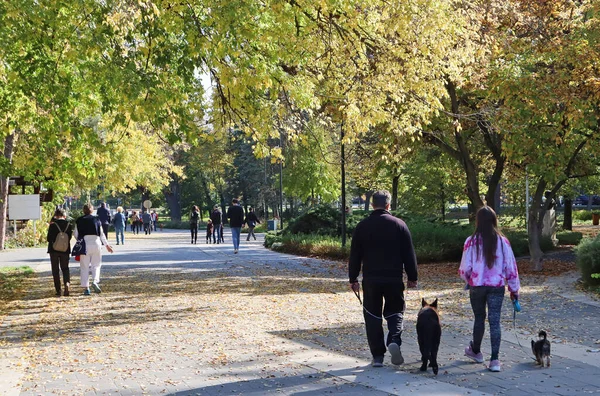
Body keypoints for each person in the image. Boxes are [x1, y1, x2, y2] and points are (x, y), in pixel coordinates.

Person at [348, 190, 418, 368]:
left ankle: (377, 355)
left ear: (372, 205)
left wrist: (353, 278)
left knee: (372, 315)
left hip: (371, 279)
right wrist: (412, 276)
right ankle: (394, 339)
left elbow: (355, 254)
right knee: (395, 311)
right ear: (388, 205)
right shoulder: (399, 225)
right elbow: (409, 254)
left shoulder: (362, 226)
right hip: (393, 278)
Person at [459, 206, 520, 373]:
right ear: (494, 220)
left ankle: (476, 351)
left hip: (477, 285)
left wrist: (469, 280)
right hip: (496, 286)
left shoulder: (470, 241)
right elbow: (511, 269)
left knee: (479, 318)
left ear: (478, 221)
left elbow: (465, 269)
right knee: (495, 321)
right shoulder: (502, 241)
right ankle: (495, 360)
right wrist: (514, 291)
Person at [75, 204, 113, 295]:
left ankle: (86, 288)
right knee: (96, 265)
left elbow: (75, 234)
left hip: (84, 244)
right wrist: (107, 245)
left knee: (84, 266)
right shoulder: (96, 219)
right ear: (92, 210)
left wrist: (79, 241)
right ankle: (95, 281)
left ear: (83, 211)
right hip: (96, 243)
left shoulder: (79, 220)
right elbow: (101, 234)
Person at [46, 208, 73, 296]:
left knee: (55, 270)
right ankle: (67, 284)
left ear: (56, 215)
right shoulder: (69, 225)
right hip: (65, 249)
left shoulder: (53, 225)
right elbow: (69, 237)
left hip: (53, 250)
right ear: (63, 215)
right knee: (65, 268)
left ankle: (58, 290)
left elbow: (49, 239)